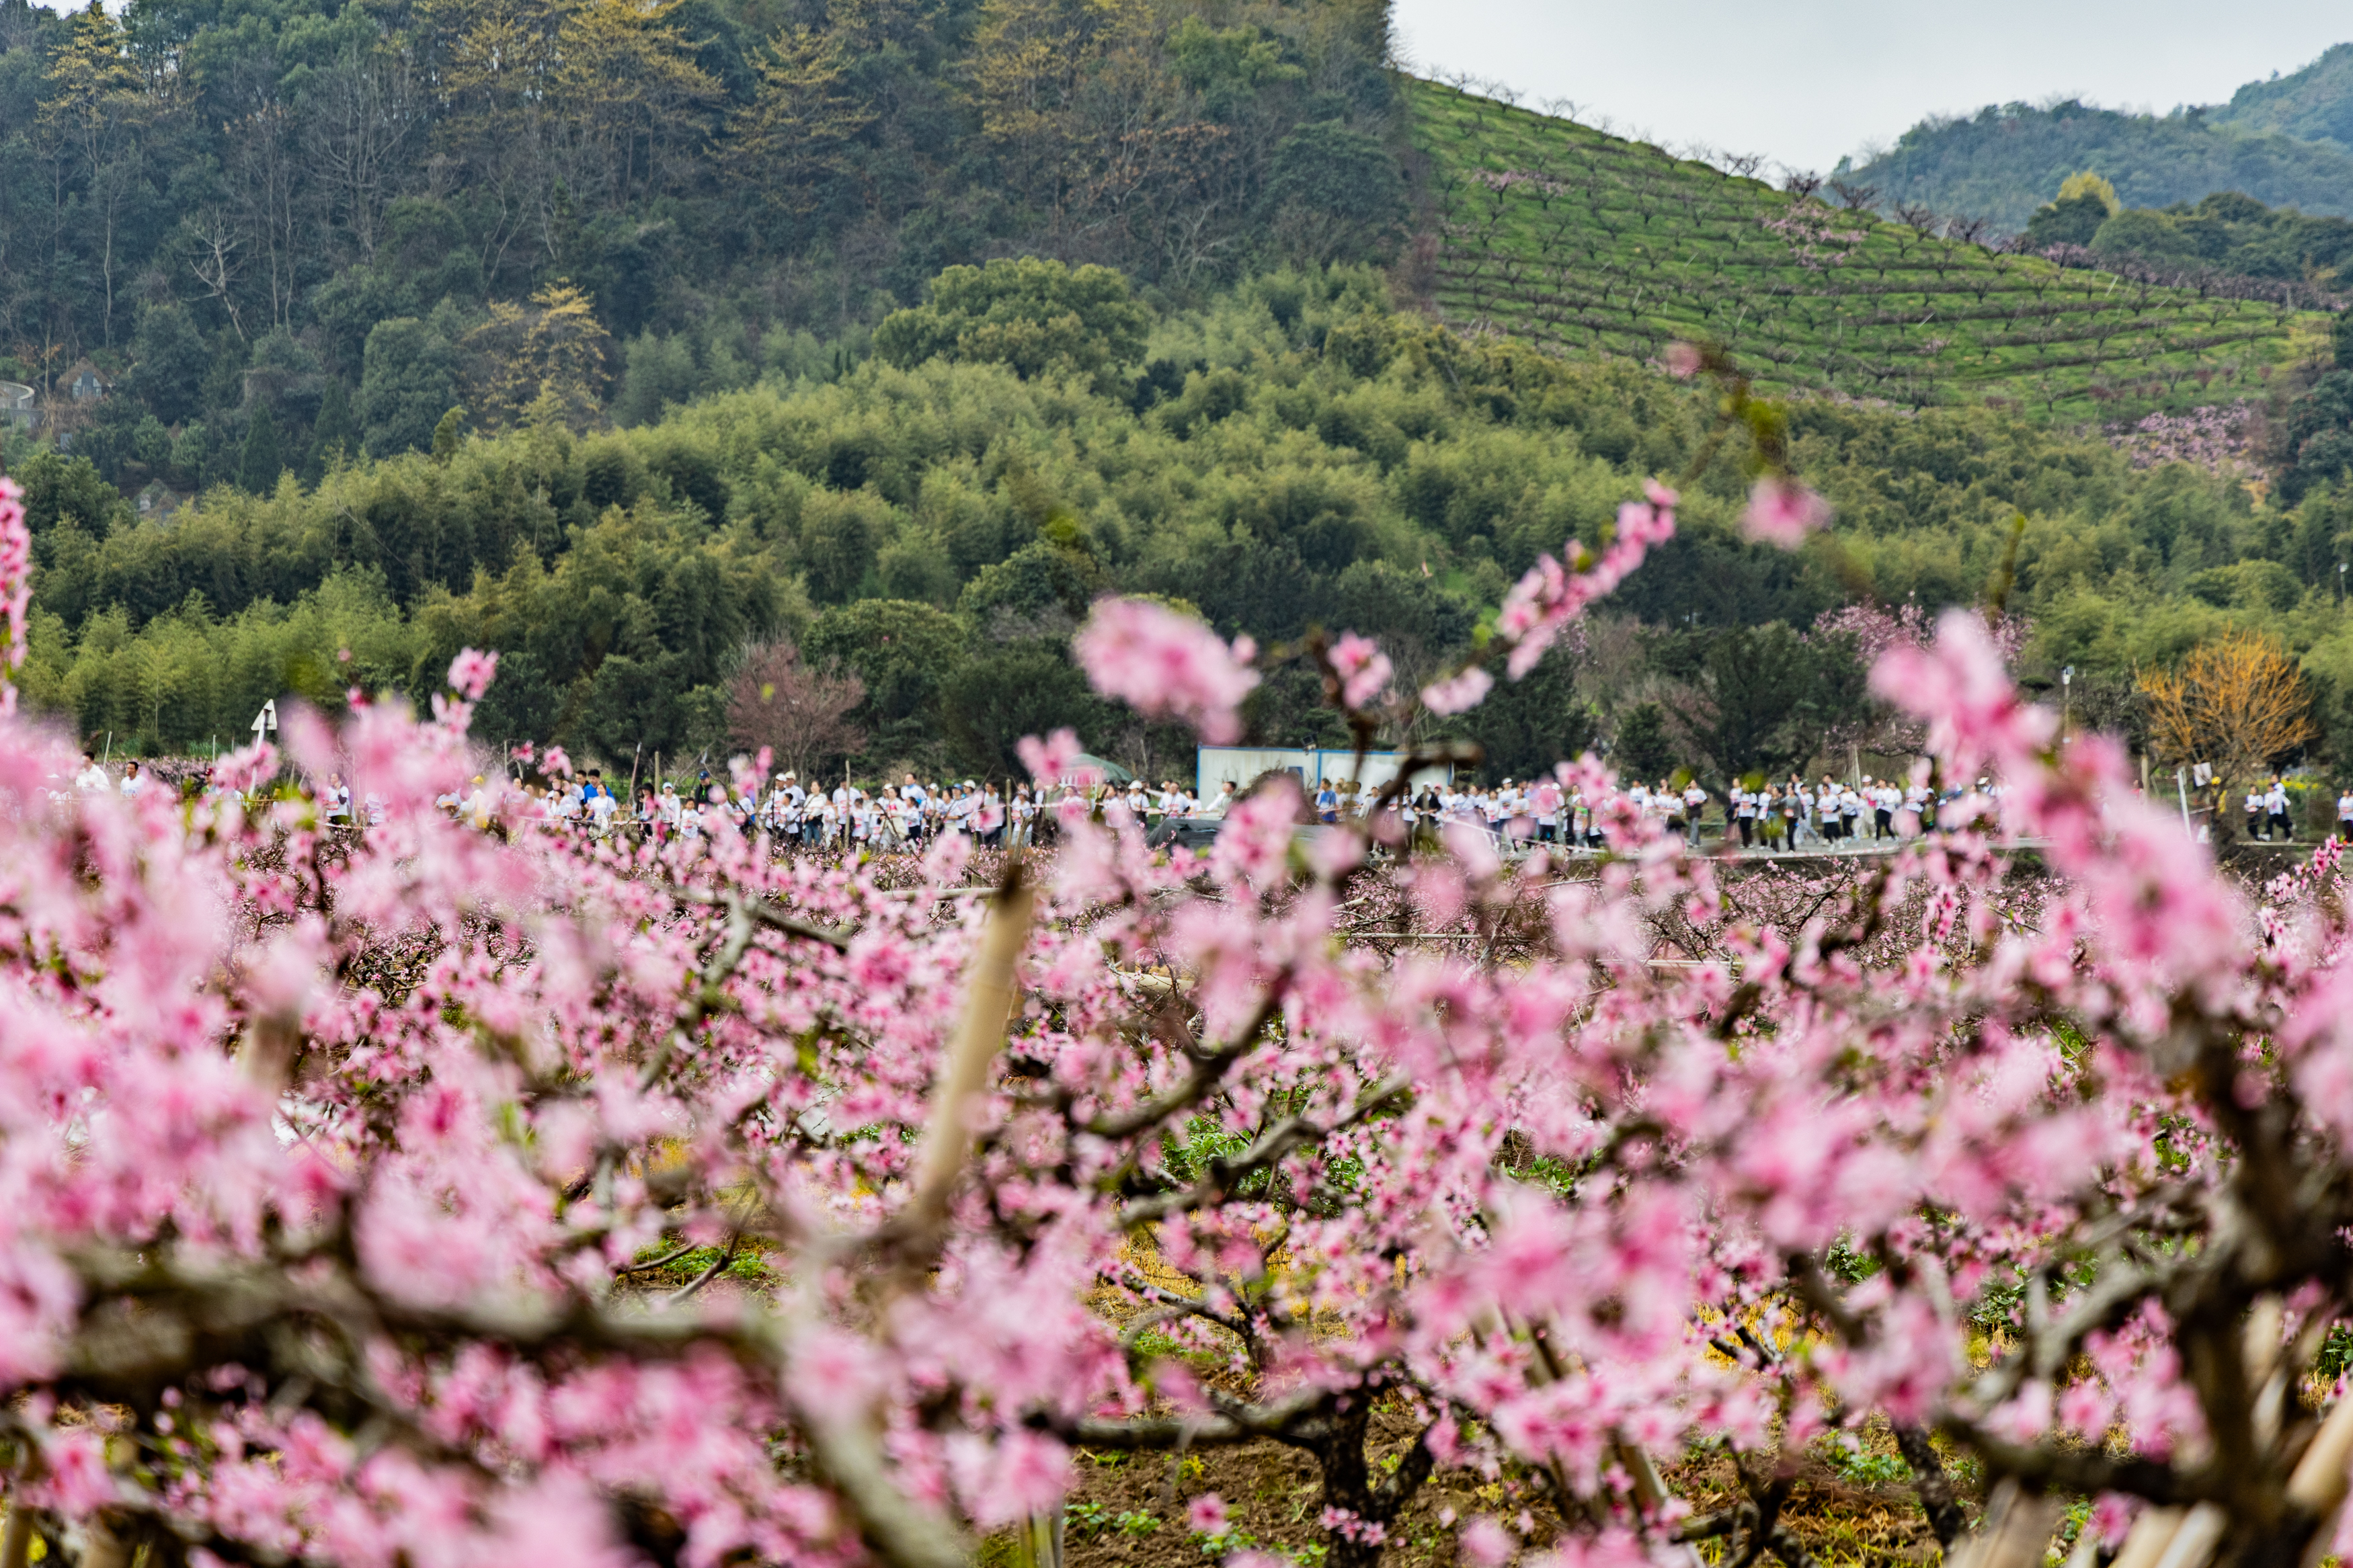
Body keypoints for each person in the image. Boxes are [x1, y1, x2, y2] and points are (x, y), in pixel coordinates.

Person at [2266, 776, 2293, 843]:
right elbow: (2266, 804)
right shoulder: (2268, 795)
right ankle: (2268, 835)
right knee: (2270, 821)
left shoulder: (2278, 792)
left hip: (2279, 811)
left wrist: (2287, 803)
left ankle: (2289, 832)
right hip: (2273, 812)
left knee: (2283, 824)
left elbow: (2283, 798)